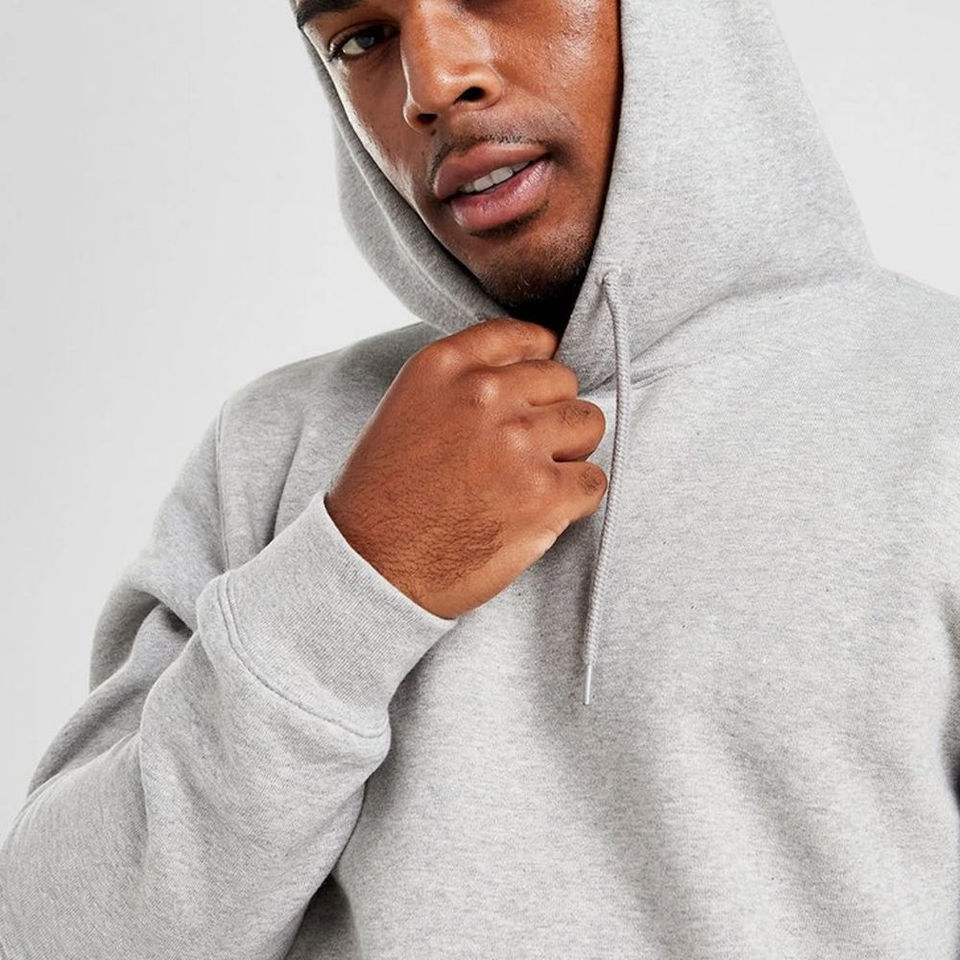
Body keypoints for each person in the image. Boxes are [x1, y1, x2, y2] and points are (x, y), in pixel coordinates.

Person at [1, 0, 958, 956]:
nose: (432, 83)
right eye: (361, 39)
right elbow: (59, 940)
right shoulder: (274, 445)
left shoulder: (937, 412)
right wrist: (357, 577)